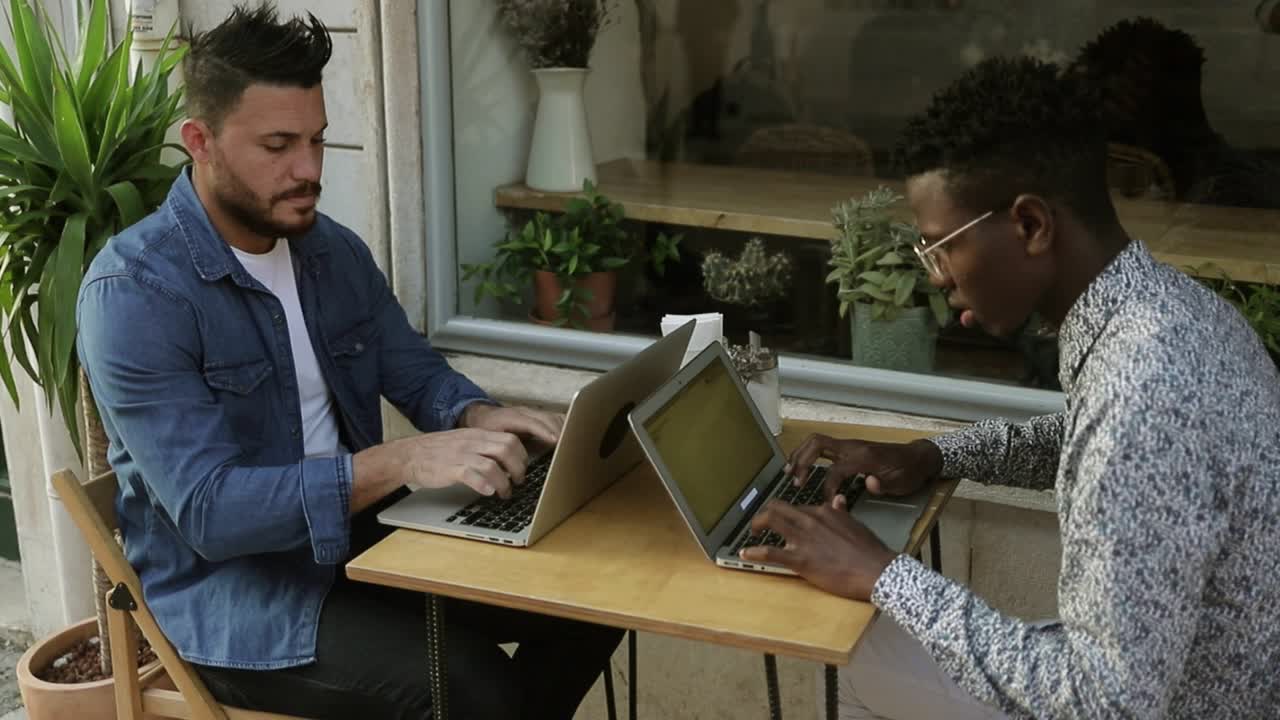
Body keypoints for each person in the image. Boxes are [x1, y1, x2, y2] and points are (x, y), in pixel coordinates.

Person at [76, 5, 621, 718]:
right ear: (199, 142)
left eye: (318, 140)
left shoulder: (330, 252)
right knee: (476, 687)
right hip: (237, 602)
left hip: (358, 547)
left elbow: (415, 371)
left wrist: (481, 413)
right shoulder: (135, 294)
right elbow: (211, 512)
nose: (308, 169)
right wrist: (400, 463)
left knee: (592, 600)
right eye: (278, 145)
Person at [741, 57, 1280, 718]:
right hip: (1180, 680)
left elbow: (1103, 705)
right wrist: (933, 456)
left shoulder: (1145, 387)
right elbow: (1083, 440)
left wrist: (884, 574)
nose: (937, 276)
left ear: (1030, 225)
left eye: (942, 246)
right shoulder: (1170, 312)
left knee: (859, 656)